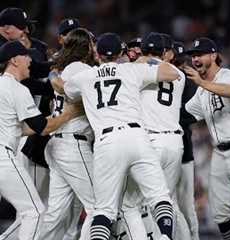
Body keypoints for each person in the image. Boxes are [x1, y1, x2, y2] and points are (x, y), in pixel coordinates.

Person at [62, 32, 184, 240]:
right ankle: (164, 236)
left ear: (97, 53)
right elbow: (172, 74)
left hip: (107, 142)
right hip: (137, 137)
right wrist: (145, 58)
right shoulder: (132, 70)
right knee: (160, 197)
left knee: (104, 211)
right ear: (120, 53)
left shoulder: (85, 76)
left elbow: (66, 90)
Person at [0, 40, 80, 240]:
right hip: (3, 157)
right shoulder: (16, 89)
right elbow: (43, 129)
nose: (30, 60)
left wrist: (54, 117)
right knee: (34, 212)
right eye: (26, 56)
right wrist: (70, 113)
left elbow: (21, 128)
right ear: (14, 60)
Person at [120, 32, 190, 240]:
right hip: (175, 144)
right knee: (165, 203)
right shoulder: (179, 74)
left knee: (133, 203)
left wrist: (136, 58)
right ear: (165, 52)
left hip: (150, 142)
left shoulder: (138, 70)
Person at [39, 27, 95, 240]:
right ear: (86, 47)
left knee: (54, 215)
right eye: (91, 43)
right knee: (99, 206)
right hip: (74, 144)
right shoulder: (82, 70)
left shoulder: (62, 69)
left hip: (57, 144)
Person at [185, 37, 230, 240]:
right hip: (219, 153)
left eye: (200, 54)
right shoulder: (202, 91)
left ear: (214, 55)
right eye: (193, 56)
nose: (195, 59)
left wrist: (201, 82)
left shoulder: (228, 76)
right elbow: (187, 114)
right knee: (220, 215)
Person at [172, 41, 200, 240]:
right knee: (171, 204)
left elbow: (195, 115)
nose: (181, 65)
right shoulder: (168, 80)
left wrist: (170, 116)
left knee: (186, 206)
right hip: (176, 149)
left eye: (183, 61)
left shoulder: (190, 83)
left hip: (185, 151)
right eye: (178, 61)